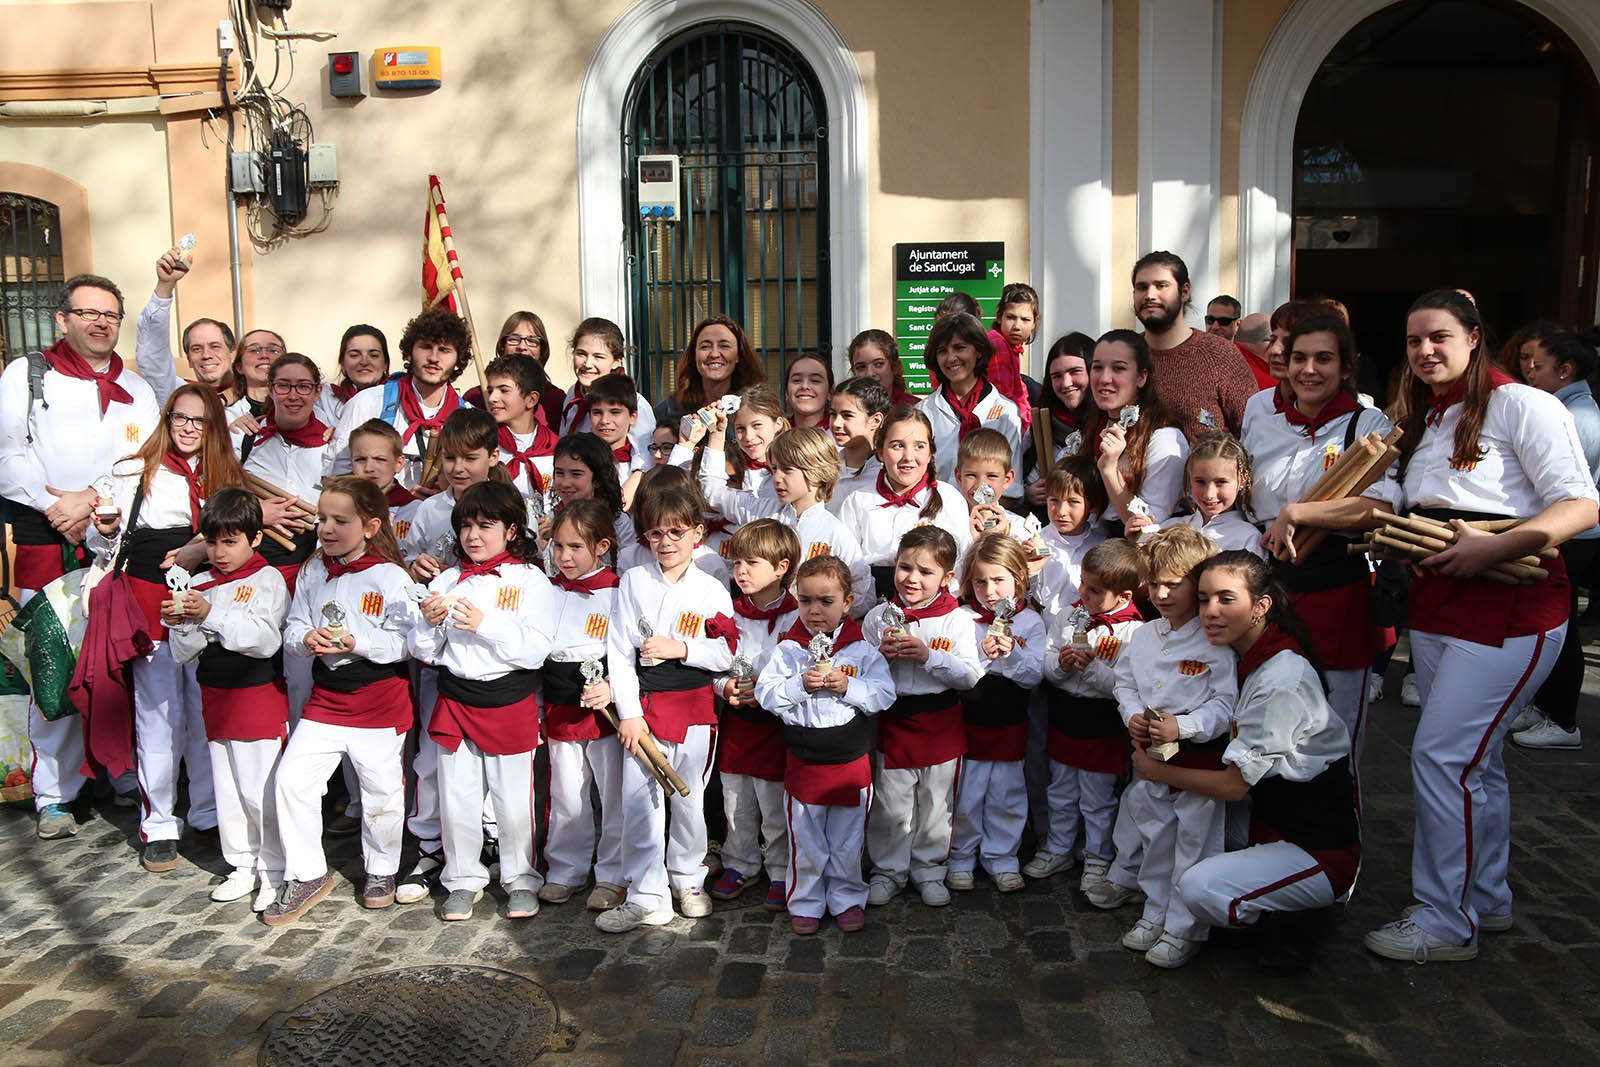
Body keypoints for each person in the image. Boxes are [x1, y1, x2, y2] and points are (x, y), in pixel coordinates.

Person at [1363, 290, 1598, 964]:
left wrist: (1494, 548)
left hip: (1510, 608)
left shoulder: (1524, 403)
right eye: (1413, 341)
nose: (1425, 351)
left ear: (1473, 335)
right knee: (1478, 764)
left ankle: (1445, 918)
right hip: (1439, 608)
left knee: (1442, 756)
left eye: (1438, 336)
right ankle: (1486, 897)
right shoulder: (1432, 416)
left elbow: (1581, 505)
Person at [0, 273, 161, 838]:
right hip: (47, 535)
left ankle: (117, 768)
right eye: (89, 312)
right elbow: (11, 453)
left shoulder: (137, 389)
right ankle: (54, 793)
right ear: (63, 319)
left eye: (111, 315)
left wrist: (94, 500)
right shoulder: (26, 375)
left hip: (112, 537)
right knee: (53, 660)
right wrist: (55, 504)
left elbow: (139, 463)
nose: (101, 323)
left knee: (114, 659)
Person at [1160, 551, 1360, 976]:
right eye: (1203, 599)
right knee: (1184, 823)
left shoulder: (1281, 677)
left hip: (1317, 847)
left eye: (1226, 599)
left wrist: (1155, 770)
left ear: (1261, 606)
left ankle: (1295, 918)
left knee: (1198, 887)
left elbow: (1234, 785)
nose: (1211, 612)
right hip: (1270, 817)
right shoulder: (1245, 655)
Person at [89, 384, 243, 872]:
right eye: (180, 416)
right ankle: (158, 821)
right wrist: (106, 529)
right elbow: (104, 534)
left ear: (213, 425)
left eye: (199, 420)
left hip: (206, 600)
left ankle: (206, 811)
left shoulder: (226, 475)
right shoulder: (134, 470)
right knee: (157, 715)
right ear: (167, 418)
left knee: (203, 712)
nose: (188, 427)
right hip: (148, 603)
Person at [266, 476, 416, 925]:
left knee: (381, 791)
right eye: (322, 519)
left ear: (370, 526)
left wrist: (359, 643)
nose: (327, 529)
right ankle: (308, 872)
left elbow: (407, 643)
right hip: (327, 700)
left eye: (340, 521)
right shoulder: (313, 570)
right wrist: (304, 638)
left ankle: (382, 869)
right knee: (292, 780)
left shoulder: (390, 576)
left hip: (378, 701)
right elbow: (292, 626)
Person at [1252, 315, 1398, 768]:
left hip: (1337, 593)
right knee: (1268, 724)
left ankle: (1336, 837)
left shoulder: (1368, 424)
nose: (1309, 370)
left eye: (1324, 359)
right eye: (1299, 358)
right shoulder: (1261, 416)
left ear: (1347, 368)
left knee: (1333, 734)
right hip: (1270, 591)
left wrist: (1298, 513)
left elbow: (1381, 509)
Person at [409, 481, 554, 923]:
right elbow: (424, 651)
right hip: (456, 698)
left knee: (513, 801)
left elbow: (535, 650)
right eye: (466, 526)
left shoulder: (530, 580)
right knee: (457, 796)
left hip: (508, 698)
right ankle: (461, 879)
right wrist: (429, 626)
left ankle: (520, 879)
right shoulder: (448, 579)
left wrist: (485, 624)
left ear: (511, 530)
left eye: (485, 526)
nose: (473, 535)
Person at [1094, 526, 1237, 973]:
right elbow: (1126, 683)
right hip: (1152, 753)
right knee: (1156, 833)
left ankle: (1184, 926)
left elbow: (1225, 702)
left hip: (1198, 756)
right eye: (1153, 582)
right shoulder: (1144, 635)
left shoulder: (1214, 638)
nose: (1161, 593)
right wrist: (1133, 715)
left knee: (1195, 841)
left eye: (1174, 583)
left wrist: (1187, 726)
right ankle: (1155, 909)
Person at [599, 485, 737, 931]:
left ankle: (687, 878)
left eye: (676, 532)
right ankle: (646, 893)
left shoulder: (712, 588)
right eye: (655, 534)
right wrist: (629, 713)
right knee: (641, 802)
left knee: (690, 798)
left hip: (694, 706)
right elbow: (618, 651)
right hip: (644, 705)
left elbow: (726, 654)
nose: (666, 542)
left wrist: (681, 647)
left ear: (697, 534)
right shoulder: (634, 581)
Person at [395, 408, 508, 904]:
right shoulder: (428, 511)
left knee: (493, 756)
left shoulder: (511, 504)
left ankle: (490, 836)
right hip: (440, 651)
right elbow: (406, 573)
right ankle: (430, 840)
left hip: (490, 651)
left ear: (493, 458)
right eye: (449, 459)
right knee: (433, 752)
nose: (459, 469)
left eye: (470, 458)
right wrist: (414, 568)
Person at [756, 554, 894, 934]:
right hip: (804, 759)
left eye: (826, 601)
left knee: (848, 841)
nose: (814, 611)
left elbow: (884, 694)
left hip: (849, 760)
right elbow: (768, 696)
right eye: (805, 601)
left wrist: (850, 686)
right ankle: (806, 901)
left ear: (848, 603)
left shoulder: (861, 651)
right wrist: (799, 686)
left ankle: (848, 898)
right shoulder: (787, 650)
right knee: (807, 839)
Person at [166, 489, 289, 910]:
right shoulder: (200, 583)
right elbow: (183, 653)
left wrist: (209, 616)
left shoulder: (266, 579)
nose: (219, 552)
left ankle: (275, 867)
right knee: (228, 787)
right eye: (213, 541)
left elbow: (264, 641)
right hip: (215, 695)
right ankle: (241, 863)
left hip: (256, 696)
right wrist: (180, 624)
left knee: (260, 789)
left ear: (255, 539)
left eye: (230, 541)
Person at [862, 526, 982, 907]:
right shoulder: (878, 617)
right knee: (891, 802)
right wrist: (879, 656)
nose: (912, 578)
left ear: (947, 578)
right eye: (904, 567)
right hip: (895, 721)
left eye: (925, 572)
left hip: (940, 721)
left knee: (936, 803)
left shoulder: (958, 620)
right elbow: (859, 669)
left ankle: (930, 869)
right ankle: (888, 870)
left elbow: (970, 675)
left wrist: (929, 656)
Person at [1028, 539, 1142, 885]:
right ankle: (1059, 848)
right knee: (1060, 790)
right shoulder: (1066, 615)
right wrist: (1061, 666)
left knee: (1097, 797)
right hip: (1065, 717)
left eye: (1095, 591)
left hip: (1101, 725)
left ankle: (1097, 855)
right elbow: (1046, 664)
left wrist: (1091, 669)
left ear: (1123, 597)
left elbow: (1124, 686)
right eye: (1082, 584)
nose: (1084, 593)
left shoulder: (1133, 631)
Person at [1507, 329, 1600, 749]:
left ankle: (1562, 720)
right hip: (1559, 531)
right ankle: (1545, 706)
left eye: (1536, 364)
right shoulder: (1563, 407)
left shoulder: (1576, 416)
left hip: (1571, 533)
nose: (1528, 371)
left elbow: (1557, 485)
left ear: (1565, 371)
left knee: (1559, 628)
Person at [538, 500, 625, 910]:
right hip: (560, 701)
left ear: (601, 545)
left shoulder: (618, 592)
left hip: (603, 704)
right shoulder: (545, 590)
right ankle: (566, 868)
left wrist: (612, 686)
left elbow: (629, 651)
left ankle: (613, 872)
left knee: (613, 791)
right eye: (557, 547)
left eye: (575, 547)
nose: (565, 557)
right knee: (567, 789)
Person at [711, 519, 801, 909]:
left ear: (781, 568)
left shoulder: (798, 617)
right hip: (737, 722)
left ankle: (780, 868)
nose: (741, 572)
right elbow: (713, 662)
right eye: (736, 564)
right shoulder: (727, 613)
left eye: (751, 563)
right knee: (736, 798)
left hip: (776, 726)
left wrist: (768, 690)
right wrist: (724, 687)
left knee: (773, 800)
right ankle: (740, 861)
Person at [950, 534, 1044, 892]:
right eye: (980, 581)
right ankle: (960, 856)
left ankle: (1002, 856)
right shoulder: (962, 618)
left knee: (1007, 792)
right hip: (970, 721)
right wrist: (985, 657)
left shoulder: (1031, 622)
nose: (989, 590)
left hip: (1010, 722)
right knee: (967, 793)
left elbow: (1034, 676)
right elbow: (956, 672)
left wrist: (1011, 655)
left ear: (1018, 579)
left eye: (999, 579)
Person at [835, 407, 971, 598]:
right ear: (880, 451)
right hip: (870, 606)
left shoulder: (949, 499)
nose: (908, 457)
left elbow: (961, 563)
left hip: (933, 609)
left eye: (919, 446)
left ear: (931, 452)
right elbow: (845, 567)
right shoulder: (857, 501)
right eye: (897, 445)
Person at [329, 306, 471, 488]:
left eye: (444, 350)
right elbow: (336, 477)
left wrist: (443, 499)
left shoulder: (467, 416)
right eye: (426, 347)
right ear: (409, 352)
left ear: (459, 359)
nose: (434, 358)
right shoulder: (367, 402)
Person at [1132, 252, 1257, 439]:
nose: (1150, 295)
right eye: (1142, 287)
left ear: (1185, 292)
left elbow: (1253, 434)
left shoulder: (1221, 355)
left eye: (1161, 286)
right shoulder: (1126, 354)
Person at [1077, 330, 1189, 532]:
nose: (1104, 378)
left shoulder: (1165, 438)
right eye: (1097, 367)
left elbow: (1148, 526)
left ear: (1141, 377)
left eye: (1118, 368)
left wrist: (1110, 470)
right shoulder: (1094, 425)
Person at [767, 427, 873, 614]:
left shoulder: (835, 532)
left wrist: (831, 616)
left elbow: (860, 585)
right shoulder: (766, 519)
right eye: (774, 468)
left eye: (787, 470)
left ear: (817, 472)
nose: (777, 477)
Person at [918, 313, 1024, 500]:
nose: (951, 358)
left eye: (960, 348)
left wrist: (983, 517)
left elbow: (1011, 489)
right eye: (942, 351)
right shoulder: (922, 413)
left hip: (989, 519)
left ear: (979, 351)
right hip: (936, 518)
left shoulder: (1005, 411)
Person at [134, 245, 237, 406]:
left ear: (232, 352)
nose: (206, 355)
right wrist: (165, 284)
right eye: (196, 349)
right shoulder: (179, 395)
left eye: (215, 346)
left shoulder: (260, 396)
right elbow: (152, 356)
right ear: (189, 359)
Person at [683, 384, 790, 527]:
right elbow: (711, 491)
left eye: (757, 425)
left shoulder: (795, 471)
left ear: (778, 424)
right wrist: (716, 432)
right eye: (740, 428)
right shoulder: (731, 466)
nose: (749, 436)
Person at [560, 317, 657, 454]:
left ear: (616, 361)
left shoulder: (635, 404)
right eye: (581, 354)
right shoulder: (573, 395)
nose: (587, 364)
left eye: (598, 357)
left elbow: (645, 461)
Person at [654, 315, 766, 429]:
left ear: (739, 355)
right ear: (694, 355)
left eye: (724, 346)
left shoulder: (759, 408)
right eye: (705, 346)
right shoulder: (669, 411)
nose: (714, 354)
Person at [1024, 333, 1095, 509]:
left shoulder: (1107, 421)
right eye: (1056, 376)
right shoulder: (1041, 422)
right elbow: (1018, 472)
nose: (1066, 383)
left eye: (1075, 372)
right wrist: (1028, 492)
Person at [482, 353, 558, 500]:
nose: (492, 398)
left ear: (531, 399)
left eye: (504, 390)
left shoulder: (555, 449)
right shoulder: (485, 444)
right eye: (490, 390)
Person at [1177, 435, 1266, 556]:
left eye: (1221, 482)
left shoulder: (1248, 538)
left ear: (1242, 480)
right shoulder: (1171, 527)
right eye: (1200, 482)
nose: (1209, 494)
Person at [475, 311, 564, 428]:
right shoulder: (477, 397)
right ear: (502, 347)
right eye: (513, 339)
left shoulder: (556, 400)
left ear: (542, 351)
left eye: (532, 341)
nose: (522, 347)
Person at [826, 377, 889, 513]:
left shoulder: (887, 473)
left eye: (847, 416)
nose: (836, 423)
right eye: (833, 414)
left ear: (875, 420)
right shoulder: (825, 467)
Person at [987, 282, 1041, 432]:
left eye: (1025, 319)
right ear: (999, 317)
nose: (1017, 326)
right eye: (1011, 317)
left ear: (1035, 322)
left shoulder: (1011, 347)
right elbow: (1001, 400)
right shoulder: (997, 345)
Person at [224, 329, 285, 448]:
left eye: (273, 350)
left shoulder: (309, 407)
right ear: (239, 367)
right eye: (254, 350)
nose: (264, 355)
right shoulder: (226, 417)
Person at [318, 325, 390, 426]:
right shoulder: (324, 399)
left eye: (373, 355)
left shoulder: (403, 399)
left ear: (385, 364)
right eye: (354, 355)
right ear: (342, 363)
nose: (364, 362)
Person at [847, 329, 918, 408]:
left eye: (878, 364)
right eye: (861, 367)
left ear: (894, 367)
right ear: (853, 371)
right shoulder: (844, 410)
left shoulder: (915, 409)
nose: (870, 373)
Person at [784, 353, 833, 430]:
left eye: (815, 380)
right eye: (796, 380)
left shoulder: (840, 435)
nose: (804, 386)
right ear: (786, 391)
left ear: (830, 392)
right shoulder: (775, 434)